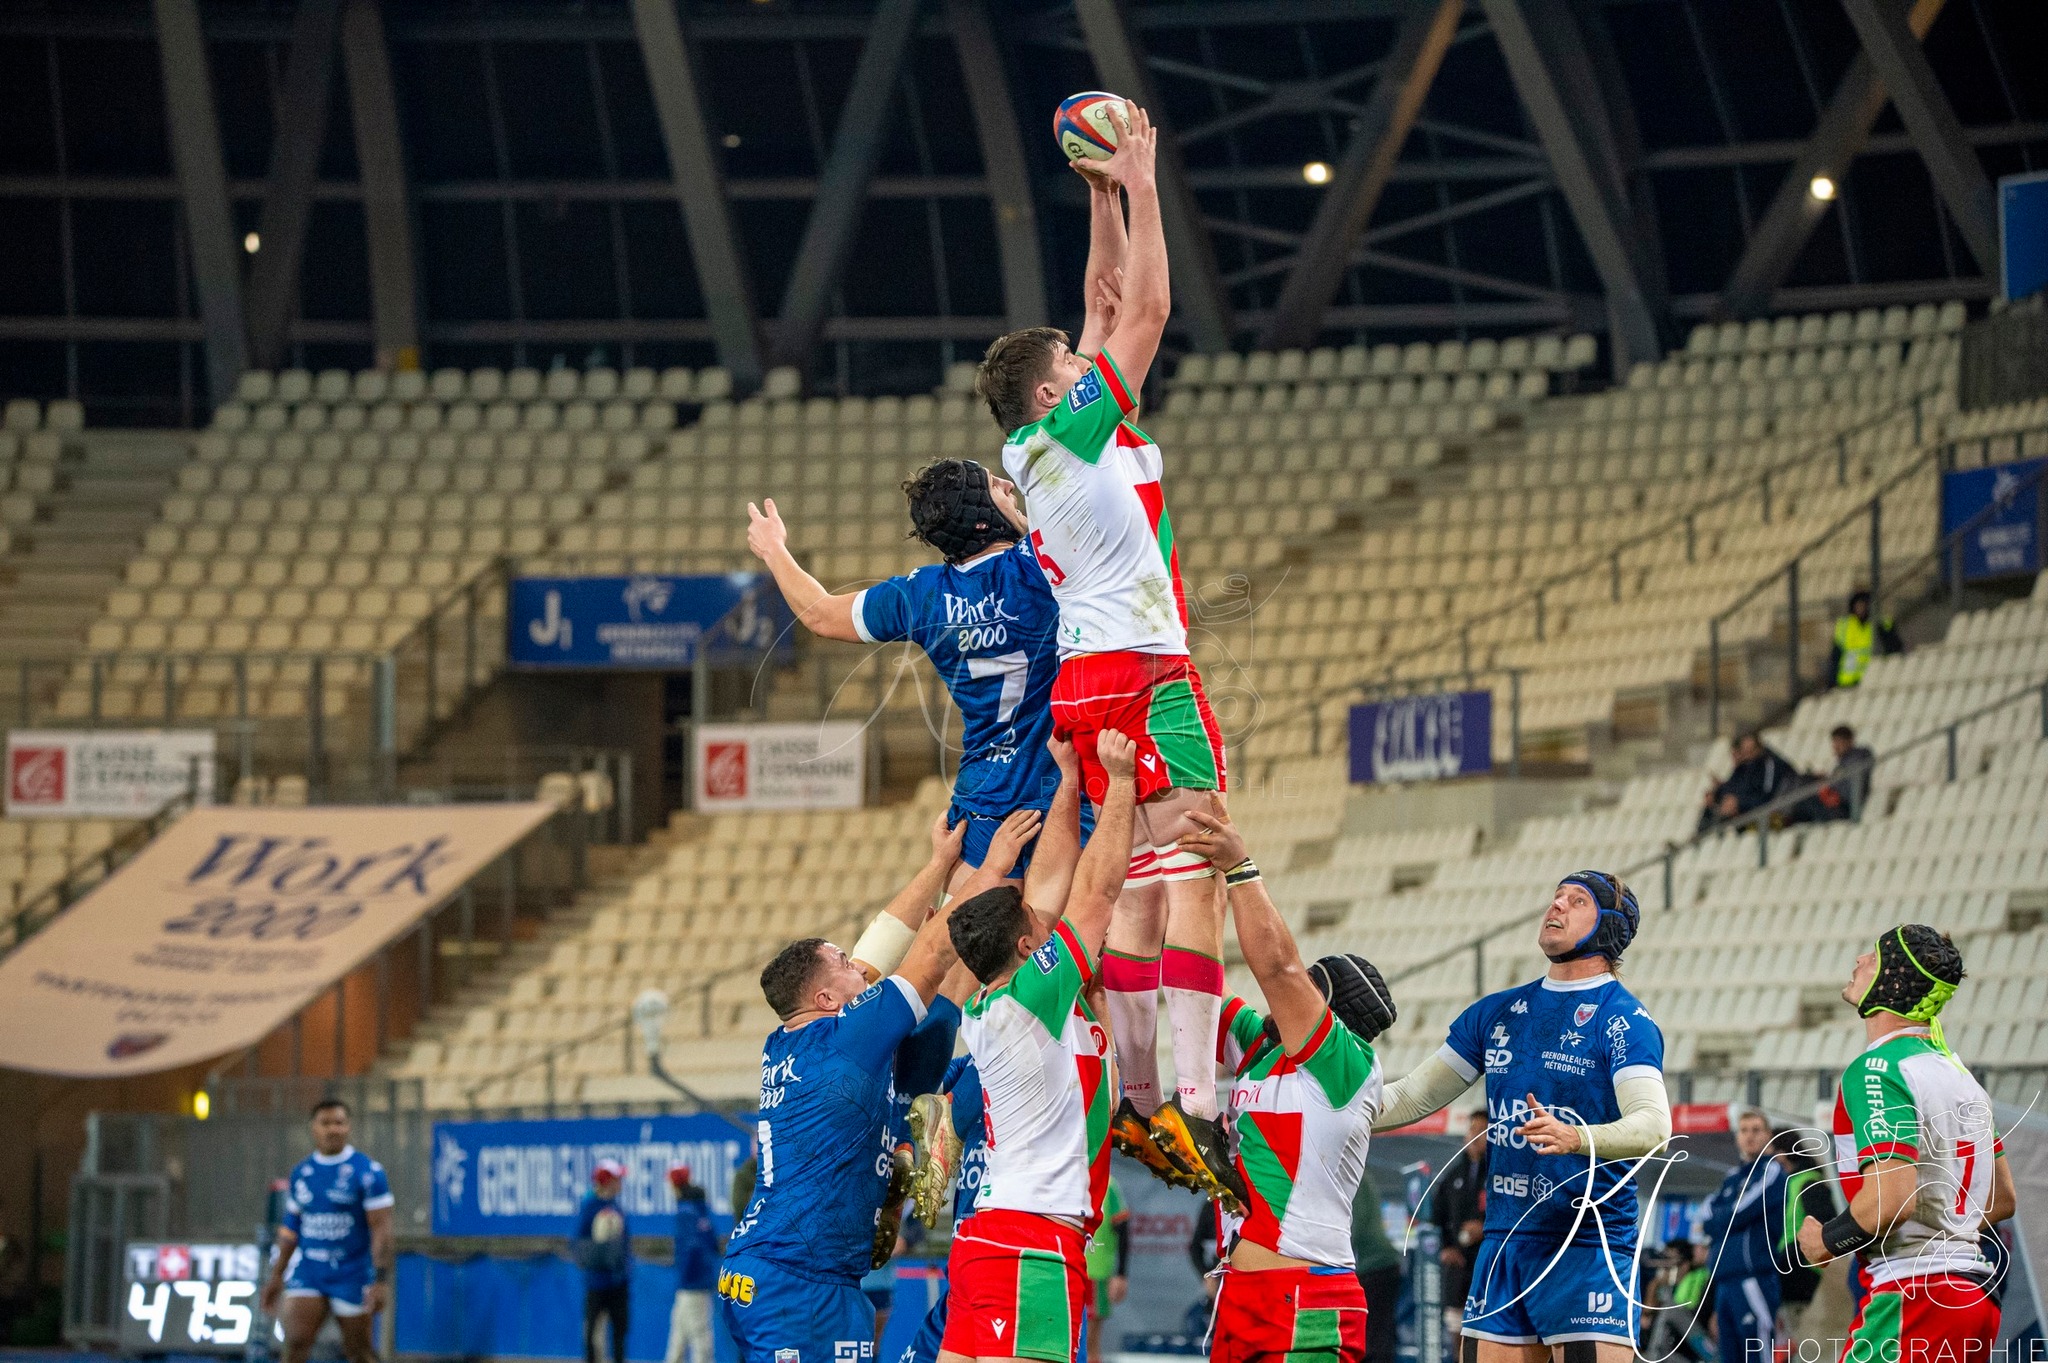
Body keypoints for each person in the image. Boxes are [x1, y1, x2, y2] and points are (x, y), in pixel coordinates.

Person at [976, 100, 1235, 1202]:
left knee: (1131, 886)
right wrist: (1139, 178)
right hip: (1143, 665)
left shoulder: (1048, 444)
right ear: (1055, 394)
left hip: (1084, 682)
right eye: (1070, 366)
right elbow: (1151, 306)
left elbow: (1106, 299)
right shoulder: (1073, 433)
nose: (1092, 348)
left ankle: (1136, 1098)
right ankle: (1199, 1103)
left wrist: (1094, 199)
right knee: (1201, 861)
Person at [717, 810, 1026, 1363]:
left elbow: (882, 953)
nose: (860, 968)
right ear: (825, 999)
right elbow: (931, 954)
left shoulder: (793, 1038)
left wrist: (939, 865)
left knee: (937, 1014)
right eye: (844, 964)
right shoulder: (849, 1041)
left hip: (789, 1273)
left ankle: (909, 1149)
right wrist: (993, 868)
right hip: (797, 1283)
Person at [1371, 872, 1674, 1361]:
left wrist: (1575, 1136)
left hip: (1588, 1249)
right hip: (1504, 1246)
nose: (1557, 905)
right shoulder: (1498, 1011)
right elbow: (1411, 1096)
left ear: (1610, 927)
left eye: (1577, 900)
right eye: (1556, 896)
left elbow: (1655, 1126)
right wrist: (1330, 1111)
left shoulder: (1622, 1018)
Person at [746, 461, 1075, 890]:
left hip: (982, 805)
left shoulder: (922, 594)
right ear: (982, 518)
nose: (1009, 486)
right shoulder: (1037, 566)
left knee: (976, 933)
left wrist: (774, 549)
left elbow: (821, 615)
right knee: (1083, 928)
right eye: (996, 486)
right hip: (1067, 791)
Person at [937, 729, 1140, 1363]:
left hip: (988, 1241)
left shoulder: (989, 1004)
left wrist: (1068, 782)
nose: (1045, 921)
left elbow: (1047, 894)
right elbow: (1094, 894)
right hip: (1033, 1243)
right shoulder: (1032, 1000)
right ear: (1029, 950)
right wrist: (1121, 784)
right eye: (1037, 928)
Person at [1179, 798, 1398, 1363]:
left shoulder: (1345, 1064)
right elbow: (1200, 981)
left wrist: (1239, 867)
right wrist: (1193, 878)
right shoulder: (1262, 1045)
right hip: (1241, 1294)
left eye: (1308, 989)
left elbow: (1278, 968)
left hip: (1307, 1297)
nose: (1279, 1001)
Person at [1796, 926, 2017, 1363]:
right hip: (1973, 1297)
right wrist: (1942, 1231)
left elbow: (1890, 1201)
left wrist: (1826, 1240)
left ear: (1893, 984)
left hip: (1917, 1296)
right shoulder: (1962, 1077)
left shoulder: (1876, 1069)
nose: (1859, 960)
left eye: (1873, 957)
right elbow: (2001, 1197)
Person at [259, 1099, 395, 1363]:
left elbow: (382, 1230)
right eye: (326, 1123)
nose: (333, 1129)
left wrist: (380, 1280)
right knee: (296, 1342)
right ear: (313, 1128)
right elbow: (291, 1228)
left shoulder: (368, 1172)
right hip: (310, 1271)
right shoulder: (301, 1173)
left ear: (348, 1127)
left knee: (358, 1351)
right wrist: (277, 1276)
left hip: (352, 1273)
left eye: (339, 1123)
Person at [896, 1055, 990, 1363]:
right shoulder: (972, 1063)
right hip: (962, 1278)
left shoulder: (1049, 1057)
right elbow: (921, 1086)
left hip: (1006, 1268)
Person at [1700, 1109, 1788, 1363]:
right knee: (1729, 1355)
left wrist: (1721, 1218)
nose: (1749, 1136)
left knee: (1756, 1353)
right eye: (1744, 1130)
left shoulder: (1772, 1171)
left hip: (1753, 1278)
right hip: (1724, 1280)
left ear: (1768, 1135)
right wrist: (1723, 1217)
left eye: (1756, 1130)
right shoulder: (1731, 1177)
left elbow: (1739, 1211)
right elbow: (1705, 1215)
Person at [1432, 1111, 1489, 1361]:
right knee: (1456, 1324)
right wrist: (1446, 1247)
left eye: (1482, 1131)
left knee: (1487, 1328)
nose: (1475, 1136)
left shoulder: (1501, 1174)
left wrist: (1484, 1227)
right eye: (1472, 1129)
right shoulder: (1453, 1175)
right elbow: (1437, 1217)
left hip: (1488, 1262)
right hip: (1458, 1266)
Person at [576, 1160, 634, 1363]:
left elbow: (625, 1244)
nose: (621, 1183)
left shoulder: (617, 1207)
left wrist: (624, 1267)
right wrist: (601, 1255)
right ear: (607, 1181)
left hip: (618, 1282)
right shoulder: (590, 1208)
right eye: (617, 1179)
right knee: (593, 1335)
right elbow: (579, 1245)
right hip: (597, 1283)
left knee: (619, 1334)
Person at [665, 1164, 720, 1363]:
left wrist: (687, 1277)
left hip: (691, 1284)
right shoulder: (700, 1208)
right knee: (679, 1335)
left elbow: (692, 1248)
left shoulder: (685, 1211)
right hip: (698, 1281)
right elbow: (712, 1243)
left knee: (699, 1336)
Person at [1349, 1170, 1403, 1363]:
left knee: (1375, 1340)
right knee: (1379, 1336)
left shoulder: (1353, 1177)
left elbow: (1355, 1226)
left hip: (1375, 1268)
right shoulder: (1358, 1175)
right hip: (1379, 1266)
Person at [1699, 732, 1798, 832]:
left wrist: (1739, 803)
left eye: (1750, 751)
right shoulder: (1745, 766)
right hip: (1747, 811)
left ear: (1759, 749)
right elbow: (1734, 786)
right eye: (1745, 752)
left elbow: (1767, 796)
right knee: (1713, 807)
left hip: (1772, 814)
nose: (1747, 756)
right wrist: (1716, 793)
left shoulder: (1770, 764)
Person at [1082, 1176, 1131, 1363]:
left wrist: (1121, 1274)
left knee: (1090, 1341)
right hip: (1063, 1267)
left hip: (1096, 1271)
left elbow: (1123, 1227)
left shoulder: (1107, 1183)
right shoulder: (1059, 1174)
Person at [1827, 591, 1903, 690]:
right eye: (1858, 605)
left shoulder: (1880, 623)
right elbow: (1835, 656)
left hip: (1873, 678)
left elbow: (1894, 647)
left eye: (1863, 605)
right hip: (1847, 681)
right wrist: (1832, 681)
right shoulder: (1844, 626)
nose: (1861, 608)